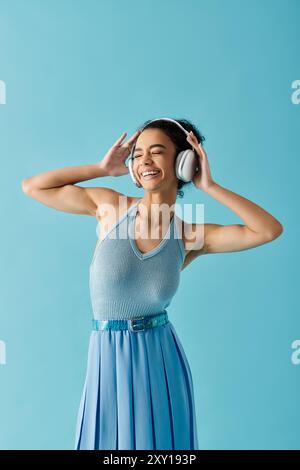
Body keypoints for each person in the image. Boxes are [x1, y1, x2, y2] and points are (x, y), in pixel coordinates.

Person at [21, 117, 283, 450]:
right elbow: (33, 186)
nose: (144, 160)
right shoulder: (110, 208)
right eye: (138, 154)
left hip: (160, 361)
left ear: (184, 163)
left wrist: (210, 187)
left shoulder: (190, 234)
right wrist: (101, 168)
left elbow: (267, 230)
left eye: (157, 152)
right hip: (106, 357)